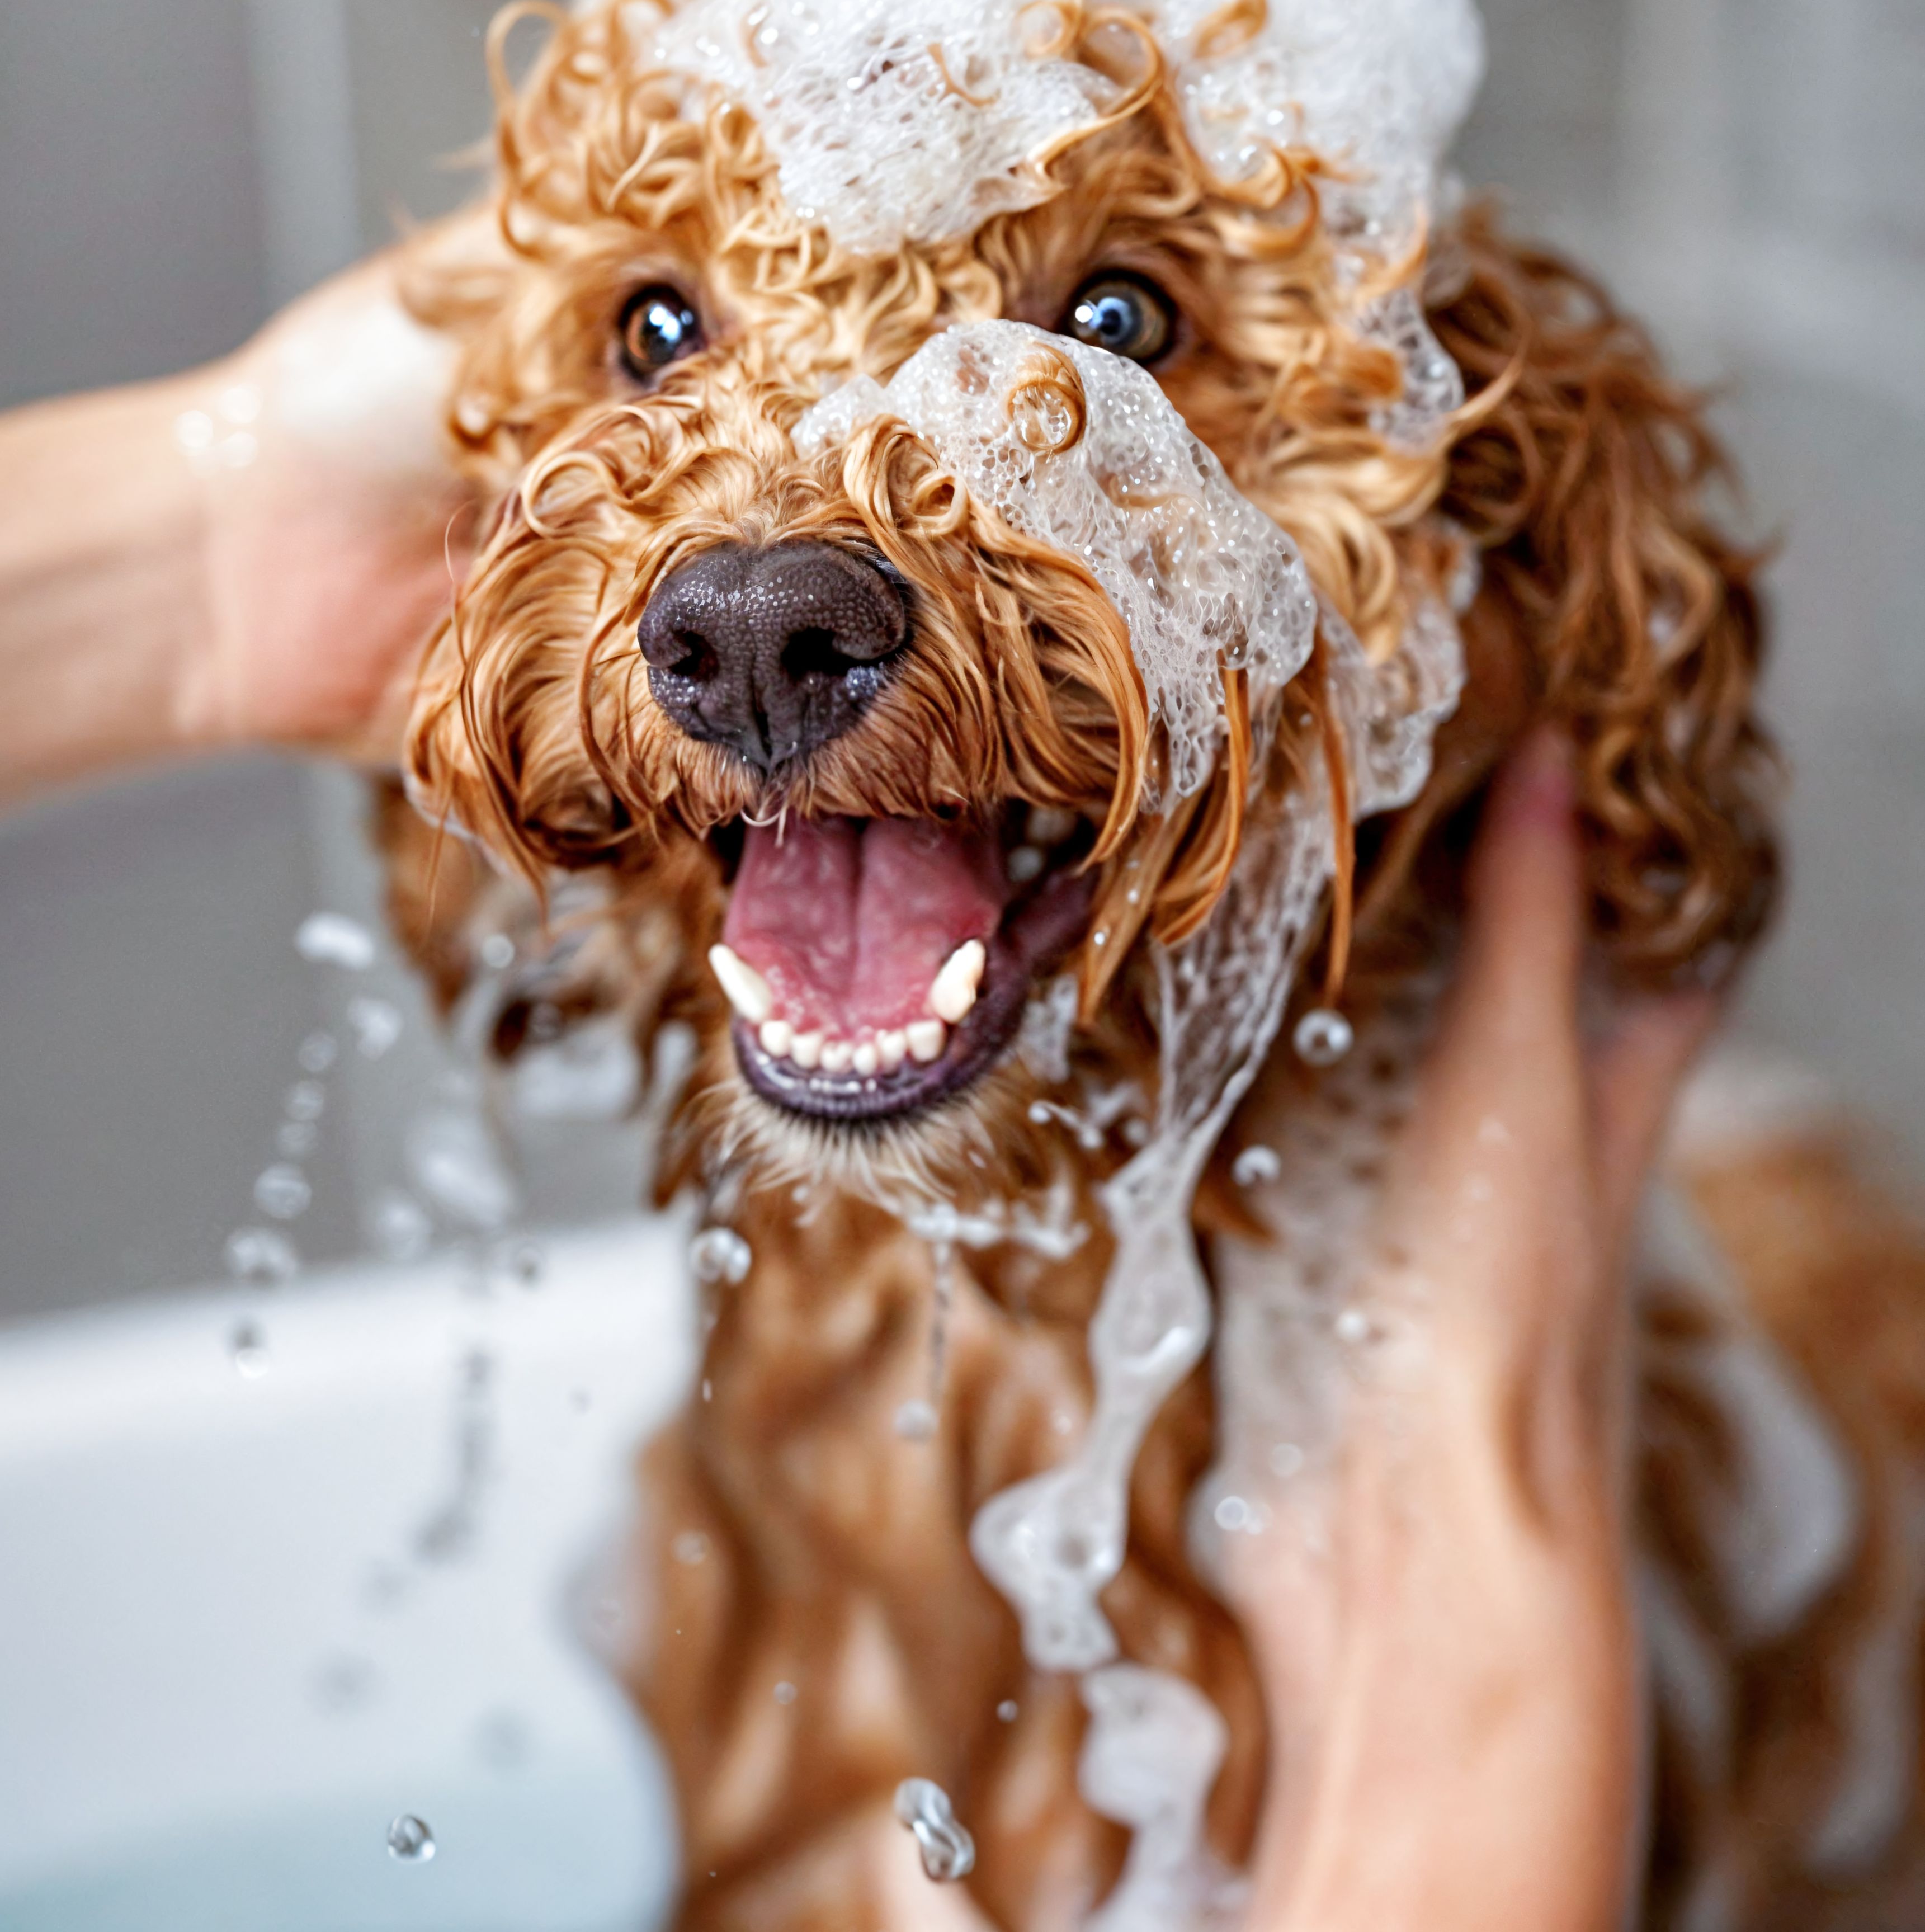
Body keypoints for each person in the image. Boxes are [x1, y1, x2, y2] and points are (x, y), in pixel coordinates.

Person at [0, 253, 1711, 1930]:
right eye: (666, 331)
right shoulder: (734, 1527)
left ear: (1501, 521)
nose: (761, 589)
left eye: (1116, 323)